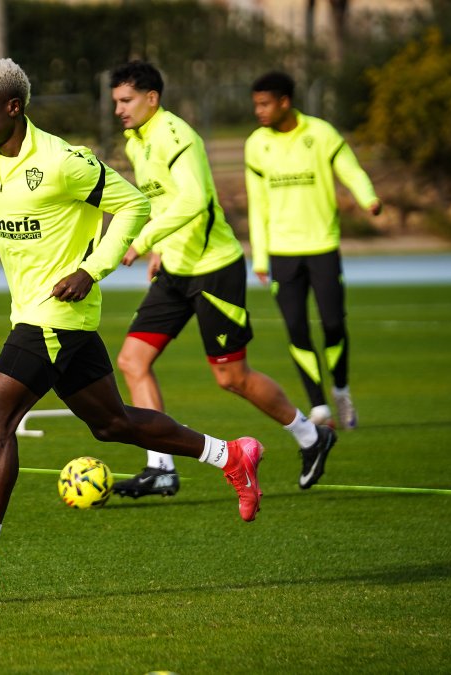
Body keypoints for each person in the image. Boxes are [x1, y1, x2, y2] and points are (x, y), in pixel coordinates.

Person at [0, 58, 265, 599]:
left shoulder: (62, 162)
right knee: (113, 424)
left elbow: (134, 205)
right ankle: (230, 454)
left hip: (54, 315)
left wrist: (91, 268)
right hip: (39, 316)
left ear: (13, 107)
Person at [107, 61, 336, 500]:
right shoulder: (136, 142)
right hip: (175, 270)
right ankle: (161, 468)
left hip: (214, 270)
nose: (118, 109)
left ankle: (312, 436)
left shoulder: (177, 137)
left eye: (126, 100)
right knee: (133, 361)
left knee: (232, 378)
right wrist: (160, 250)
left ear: (152, 98)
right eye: (116, 101)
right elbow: (162, 201)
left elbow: (194, 199)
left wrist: (144, 241)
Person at [245, 71, 381, 430]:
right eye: (255, 104)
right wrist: (259, 257)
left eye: (264, 104)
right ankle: (319, 407)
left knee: (334, 324)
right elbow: (257, 205)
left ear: (284, 102)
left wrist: (368, 198)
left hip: (322, 246)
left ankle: (341, 390)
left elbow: (350, 170)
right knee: (296, 328)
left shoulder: (321, 134)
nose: (258, 111)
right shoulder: (257, 144)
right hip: (281, 253)